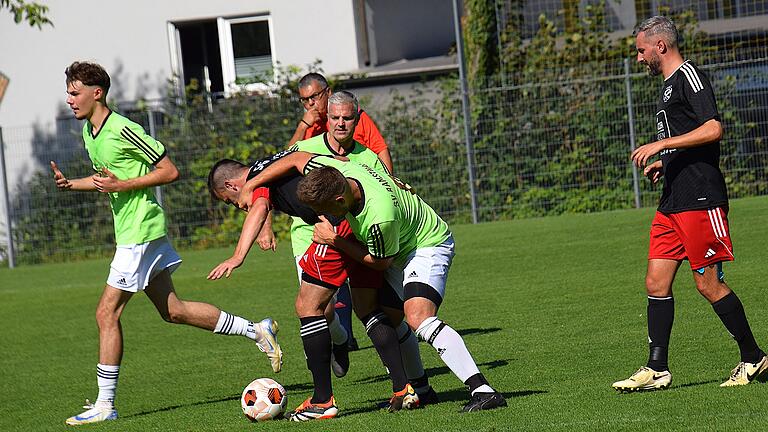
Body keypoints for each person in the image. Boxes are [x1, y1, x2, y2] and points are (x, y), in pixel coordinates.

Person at [53, 61, 281, 426]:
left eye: (74, 92)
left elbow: (169, 171)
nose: (69, 99)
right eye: (68, 92)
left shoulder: (122, 128)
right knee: (173, 310)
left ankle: (105, 403)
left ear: (97, 93)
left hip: (140, 234)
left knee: (105, 313)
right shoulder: (90, 133)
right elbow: (106, 179)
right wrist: (73, 185)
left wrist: (122, 186)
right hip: (134, 233)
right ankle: (256, 329)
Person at [237, 152, 507, 412]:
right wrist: (252, 183)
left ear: (340, 200)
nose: (325, 217)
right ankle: (421, 391)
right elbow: (297, 159)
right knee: (388, 315)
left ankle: (483, 390)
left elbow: (380, 263)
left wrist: (335, 240)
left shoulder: (379, 217)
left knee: (418, 317)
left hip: (426, 245)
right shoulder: (340, 173)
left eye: (326, 211)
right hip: (401, 243)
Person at [612, 16, 767, 392]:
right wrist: (664, 165)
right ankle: (657, 368)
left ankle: (753, 357)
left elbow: (713, 128)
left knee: (708, 284)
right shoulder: (666, 87)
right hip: (673, 201)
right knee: (656, 280)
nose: (638, 58)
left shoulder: (688, 75)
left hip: (700, 198)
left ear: (660, 46)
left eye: (641, 50)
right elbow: (689, 138)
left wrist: (662, 145)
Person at [206, 151, 423, 421]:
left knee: (308, 305)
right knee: (366, 307)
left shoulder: (255, 179)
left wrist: (238, 256)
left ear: (231, 185)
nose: (236, 206)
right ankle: (403, 388)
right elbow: (304, 160)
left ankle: (322, 401)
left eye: (230, 201)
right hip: (358, 219)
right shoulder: (270, 164)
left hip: (335, 227)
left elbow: (259, 207)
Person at [288, 73, 393, 348]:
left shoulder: (351, 114)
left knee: (371, 298)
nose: (310, 104)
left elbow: (379, 149)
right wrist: (303, 124)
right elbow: (283, 162)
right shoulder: (309, 131)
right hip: (309, 228)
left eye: (314, 97)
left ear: (327, 91)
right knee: (315, 305)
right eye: (304, 100)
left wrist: (387, 190)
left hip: (352, 218)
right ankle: (340, 342)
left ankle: (395, 359)